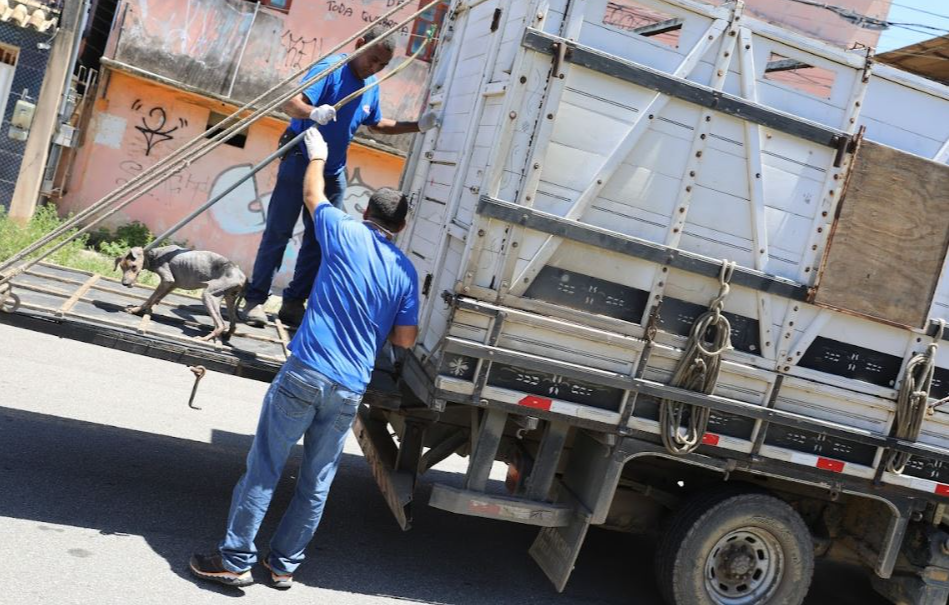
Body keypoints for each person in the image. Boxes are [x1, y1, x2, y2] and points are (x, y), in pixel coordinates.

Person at [189, 126, 419, 589]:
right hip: (350, 387)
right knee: (317, 482)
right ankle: (283, 566)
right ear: (400, 228)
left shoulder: (344, 232)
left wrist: (318, 153)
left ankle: (235, 561)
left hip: (307, 371)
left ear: (366, 211)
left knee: (266, 466)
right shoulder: (405, 272)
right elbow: (406, 341)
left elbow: (313, 194)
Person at [242, 24, 438, 327]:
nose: (374, 67)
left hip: (331, 172)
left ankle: (294, 303)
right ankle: (255, 299)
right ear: (359, 43)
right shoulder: (331, 69)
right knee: (279, 232)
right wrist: (312, 113)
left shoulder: (370, 84)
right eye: (371, 59)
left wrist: (417, 126)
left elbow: (375, 124)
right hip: (300, 160)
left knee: (320, 240)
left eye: (382, 65)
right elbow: (291, 102)